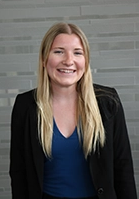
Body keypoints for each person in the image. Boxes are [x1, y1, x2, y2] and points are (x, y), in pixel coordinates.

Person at [9, 22, 137, 199]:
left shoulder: (108, 101)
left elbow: (123, 167)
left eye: (77, 52)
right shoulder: (25, 105)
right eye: (59, 51)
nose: (69, 60)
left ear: (86, 60)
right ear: (44, 59)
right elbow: (19, 172)